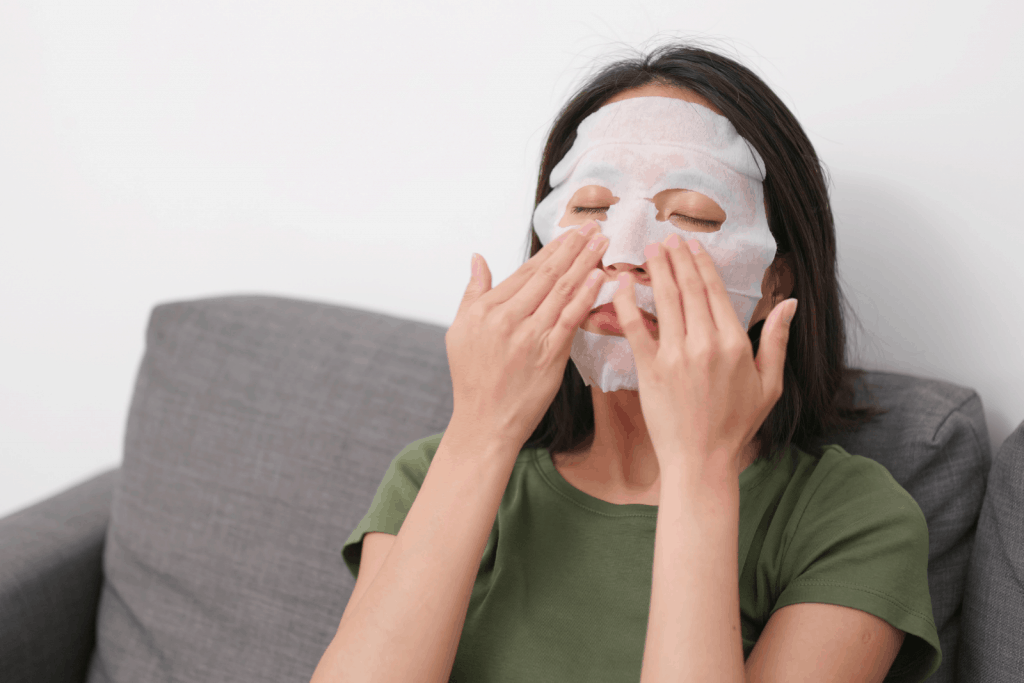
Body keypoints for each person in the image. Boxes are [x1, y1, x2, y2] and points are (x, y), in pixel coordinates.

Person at [312, 43, 942, 683]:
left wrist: (699, 469)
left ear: (776, 284)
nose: (624, 251)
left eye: (693, 215)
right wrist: (481, 430)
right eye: (590, 207)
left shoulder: (850, 520)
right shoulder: (434, 474)